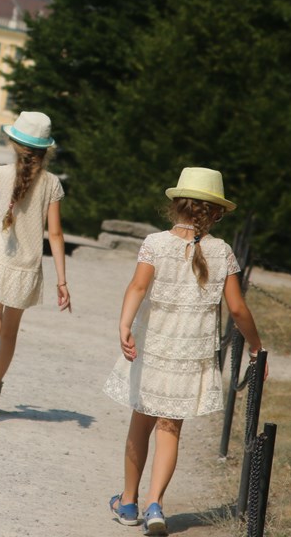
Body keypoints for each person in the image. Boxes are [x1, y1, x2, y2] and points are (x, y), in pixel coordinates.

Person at [103, 167, 264, 534]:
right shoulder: (222, 252)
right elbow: (237, 308)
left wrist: (124, 325)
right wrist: (256, 346)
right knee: (170, 430)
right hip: (191, 353)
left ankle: (128, 503)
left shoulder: (155, 244)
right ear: (217, 212)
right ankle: (156, 504)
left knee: (140, 422)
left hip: (153, 346)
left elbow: (137, 287)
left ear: (175, 205)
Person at [0, 111, 71, 425]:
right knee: (9, 333)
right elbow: (56, 233)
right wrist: (62, 281)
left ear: (14, 143)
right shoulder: (52, 184)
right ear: (46, 149)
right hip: (27, 268)